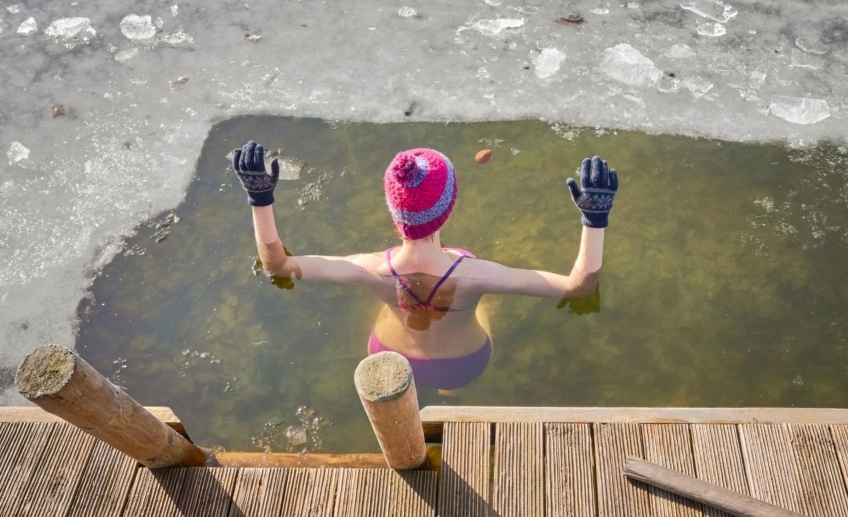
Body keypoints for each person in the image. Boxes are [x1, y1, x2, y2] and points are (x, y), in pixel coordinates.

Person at [232, 140, 619, 393]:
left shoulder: (366, 268)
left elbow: (278, 266)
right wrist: (594, 221)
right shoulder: (478, 275)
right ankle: (448, 395)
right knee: (482, 305)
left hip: (389, 359)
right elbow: (579, 287)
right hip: (462, 366)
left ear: (394, 212)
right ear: (449, 206)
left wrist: (259, 198)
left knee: (390, 302)